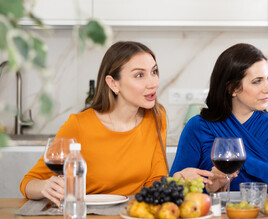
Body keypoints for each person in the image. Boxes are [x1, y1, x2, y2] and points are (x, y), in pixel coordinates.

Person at [20, 41, 169, 206]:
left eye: (154, 71)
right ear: (113, 83)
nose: (153, 83)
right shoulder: (79, 125)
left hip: (133, 215)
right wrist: (45, 186)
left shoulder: (156, 116)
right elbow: (29, 182)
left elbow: (157, 178)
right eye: (139, 75)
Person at [170, 43, 268, 194]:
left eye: (267, 78)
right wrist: (211, 187)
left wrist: (243, 161)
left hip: (266, 216)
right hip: (213, 215)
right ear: (233, 88)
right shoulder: (198, 127)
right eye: (257, 81)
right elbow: (176, 186)